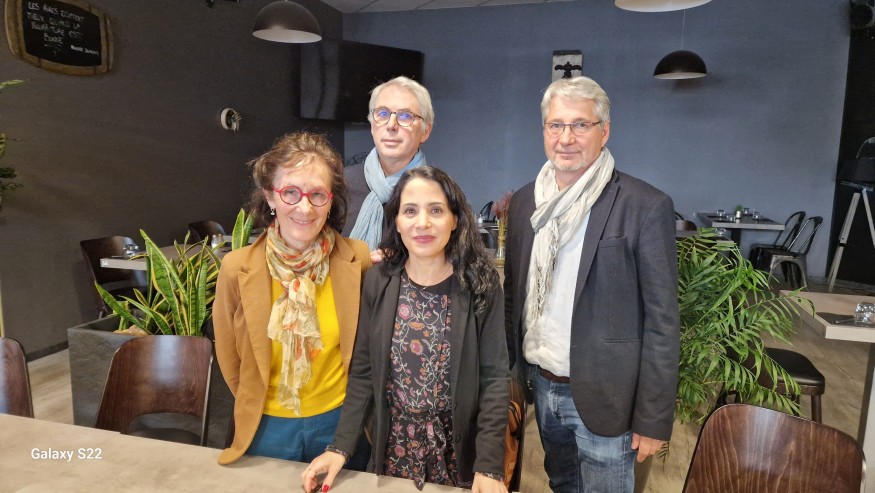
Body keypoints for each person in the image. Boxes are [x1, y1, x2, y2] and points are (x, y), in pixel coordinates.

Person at [503, 77, 680, 492]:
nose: (566, 138)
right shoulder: (527, 203)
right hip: (542, 385)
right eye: (556, 125)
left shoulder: (644, 205)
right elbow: (514, 296)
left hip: (608, 399)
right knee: (562, 484)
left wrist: (652, 419)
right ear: (544, 130)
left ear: (605, 131)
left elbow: (662, 321)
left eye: (580, 124)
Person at [304, 166, 509, 493]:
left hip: (458, 455)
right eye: (410, 211)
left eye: (436, 210)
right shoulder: (379, 281)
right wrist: (339, 448)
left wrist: (489, 465)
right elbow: (363, 373)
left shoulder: (480, 284)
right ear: (397, 221)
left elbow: (494, 380)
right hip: (393, 452)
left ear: (455, 220)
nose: (422, 222)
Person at [213, 132, 372, 467]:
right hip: (266, 426)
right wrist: (254, 399)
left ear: (330, 201)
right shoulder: (237, 267)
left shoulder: (357, 260)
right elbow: (228, 354)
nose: (304, 207)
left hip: (341, 424)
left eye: (317, 195)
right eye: (290, 192)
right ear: (270, 196)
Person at [343, 76, 434, 259]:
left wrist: (402, 260)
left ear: (425, 131)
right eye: (383, 114)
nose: (391, 125)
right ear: (372, 126)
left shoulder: (437, 192)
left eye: (405, 116)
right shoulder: (341, 183)